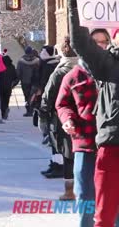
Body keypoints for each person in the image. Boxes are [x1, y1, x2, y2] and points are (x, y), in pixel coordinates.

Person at [68, 0, 119, 227]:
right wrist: (72, 4)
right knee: (104, 215)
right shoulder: (107, 63)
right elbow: (80, 42)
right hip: (111, 146)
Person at [55, 57, 99, 227]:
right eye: (96, 42)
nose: (100, 46)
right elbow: (62, 104)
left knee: (113, 196)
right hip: (84, 142)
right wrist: (67, 119)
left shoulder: (112, 71)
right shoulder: (73, 76)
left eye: (104, 42)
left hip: (111, 142)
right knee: (85, 195)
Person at [38, 38, 78, 200]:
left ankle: (70, 191)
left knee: (68, 156)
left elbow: (47, 98)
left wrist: (43, 118)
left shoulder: (60, 72)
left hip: (63, 120)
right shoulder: (88, 69)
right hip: (87, 119)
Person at [16, 46, 40, 116]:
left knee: (26, 96)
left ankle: (28, 111)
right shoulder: (37, 60)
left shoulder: (21, 61)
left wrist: (17, 80)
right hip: (35, 81)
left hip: (25, 81)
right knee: (33, 96)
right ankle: (33, 109)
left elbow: (18, 72)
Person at [0, 55, 18, 120]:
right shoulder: (12, 67)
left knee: (2, 100)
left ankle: (3, 113)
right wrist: (13, 84)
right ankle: (6, 109)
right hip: (9, 87)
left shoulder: (0, 67)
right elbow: (16, 77)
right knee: (7, 100)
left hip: (1, 86)